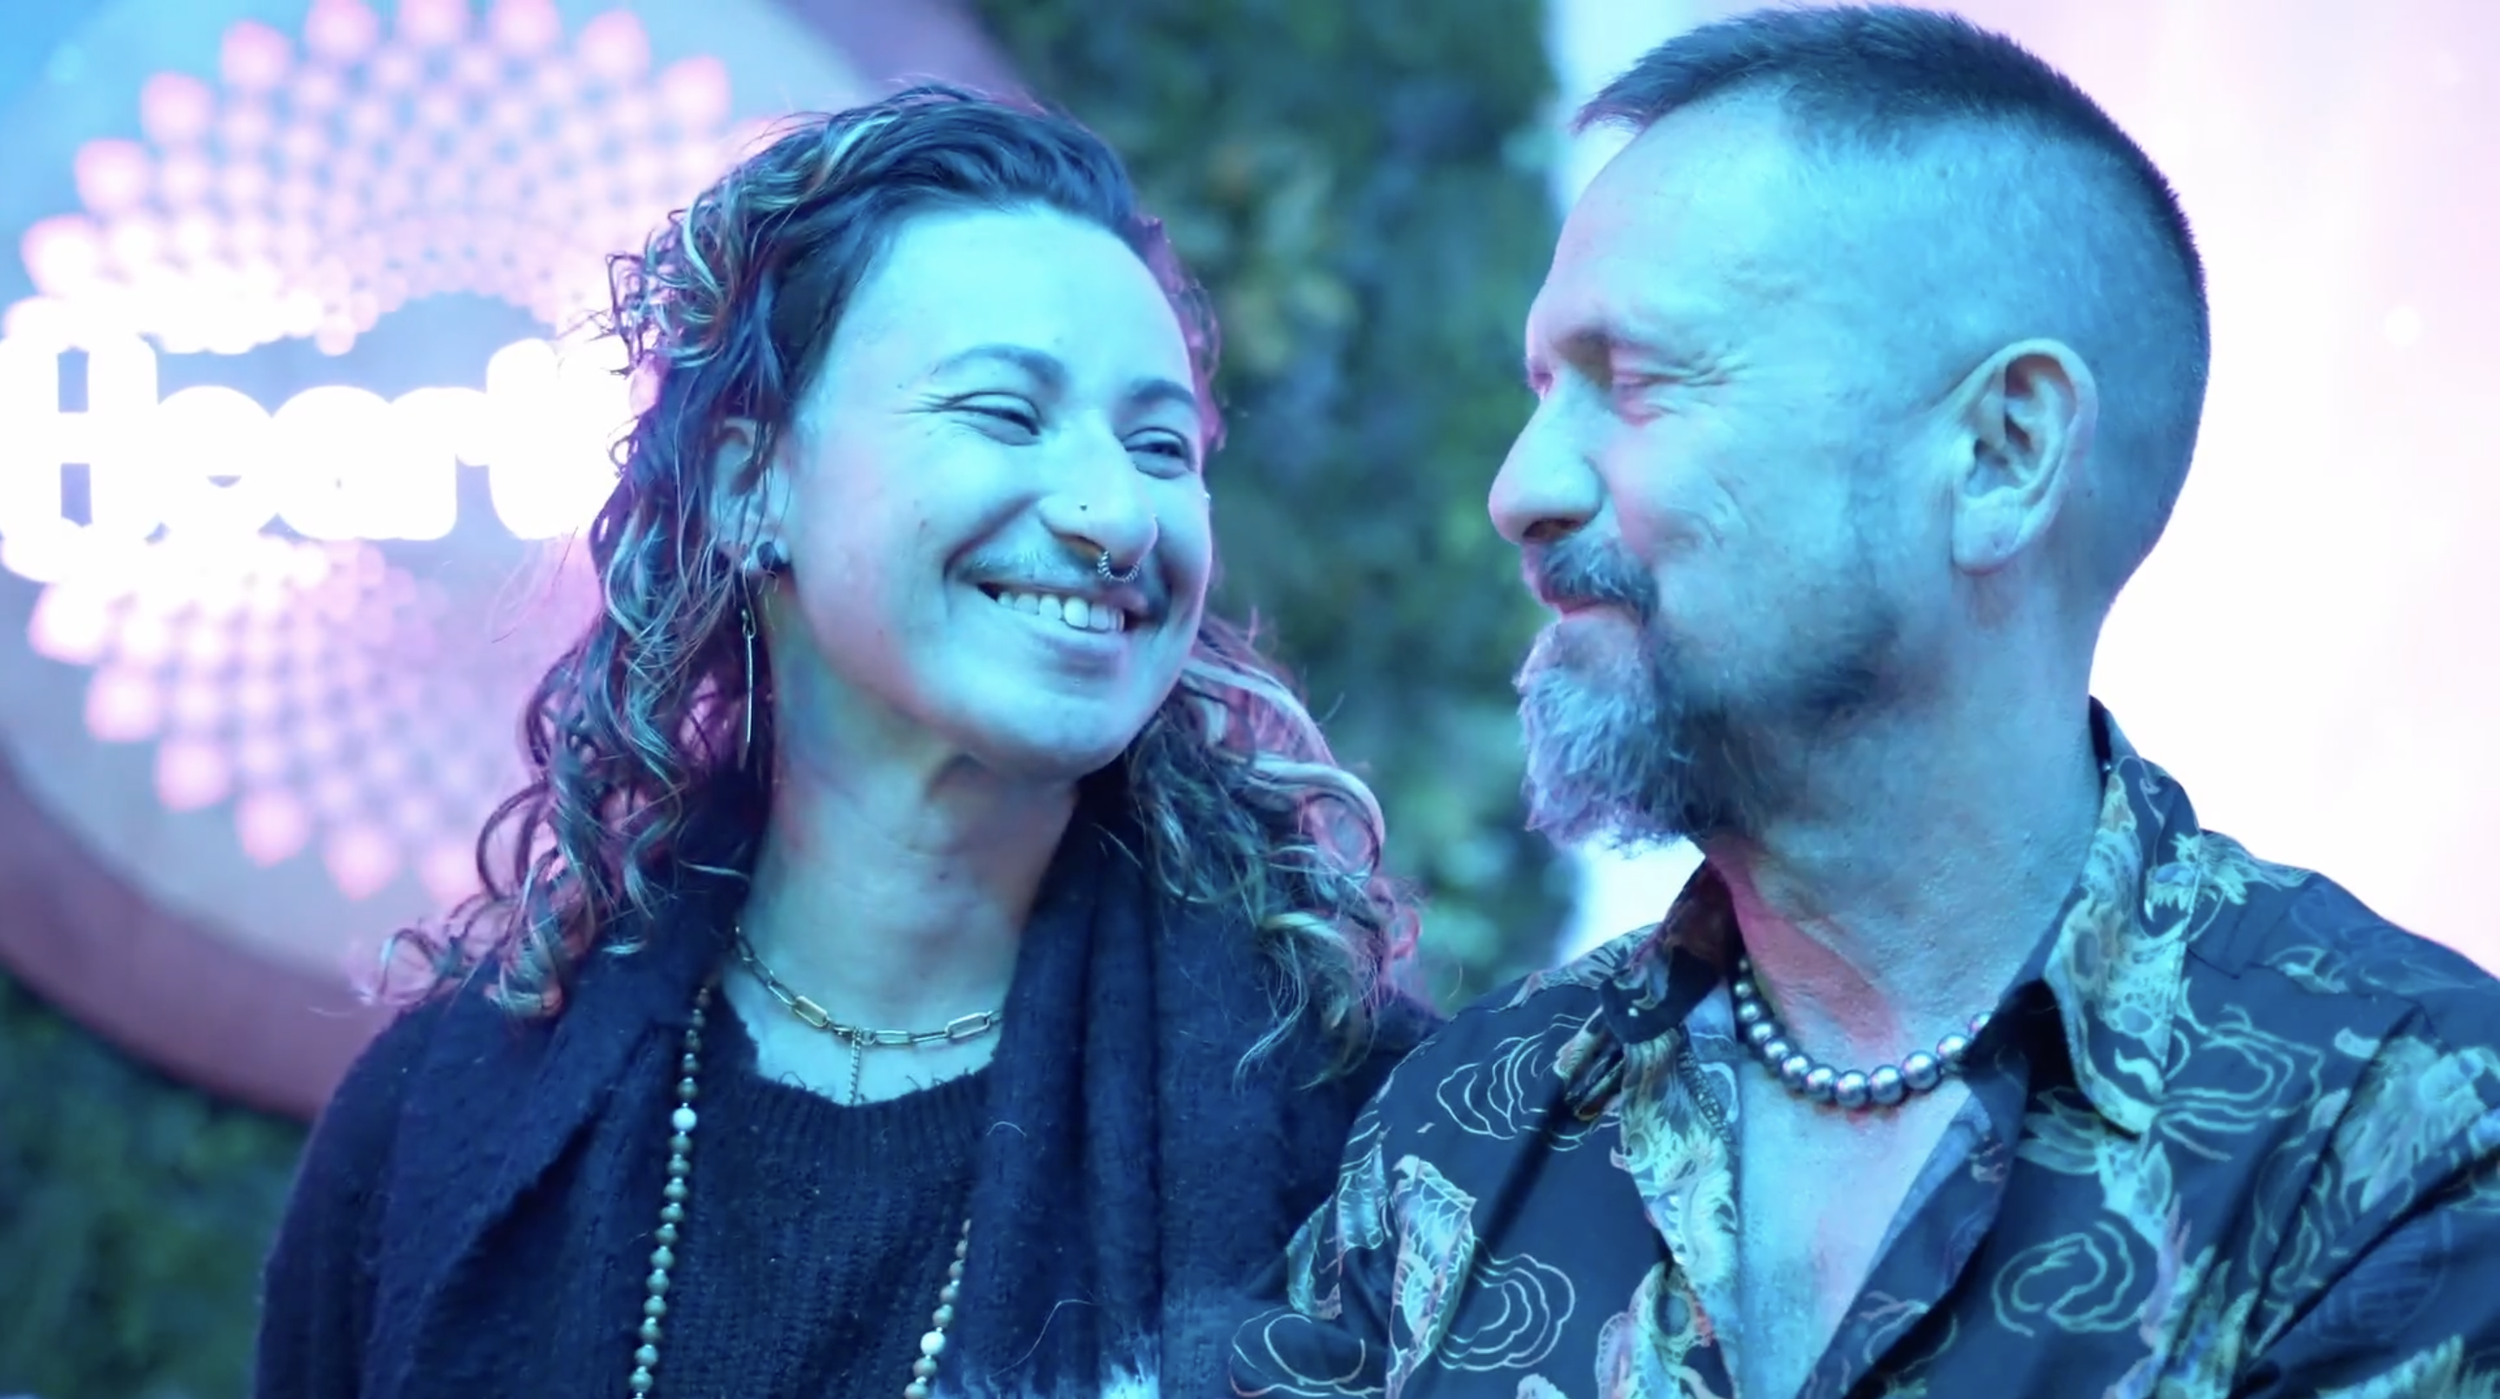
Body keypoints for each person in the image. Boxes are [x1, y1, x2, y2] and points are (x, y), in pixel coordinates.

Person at [1231, 7, 2500, 1398]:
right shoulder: (1460, 1131)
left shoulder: (2399, 1133)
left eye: (1637, 381)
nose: (1520, 489)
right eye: (1544, 390)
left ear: (2004, 452)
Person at [253, 85, 1434, 1399]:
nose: (1117, 513)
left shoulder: (1368, 1135)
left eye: (1162, 444)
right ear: (752, 483)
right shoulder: (437, 1121)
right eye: (1003, 412)